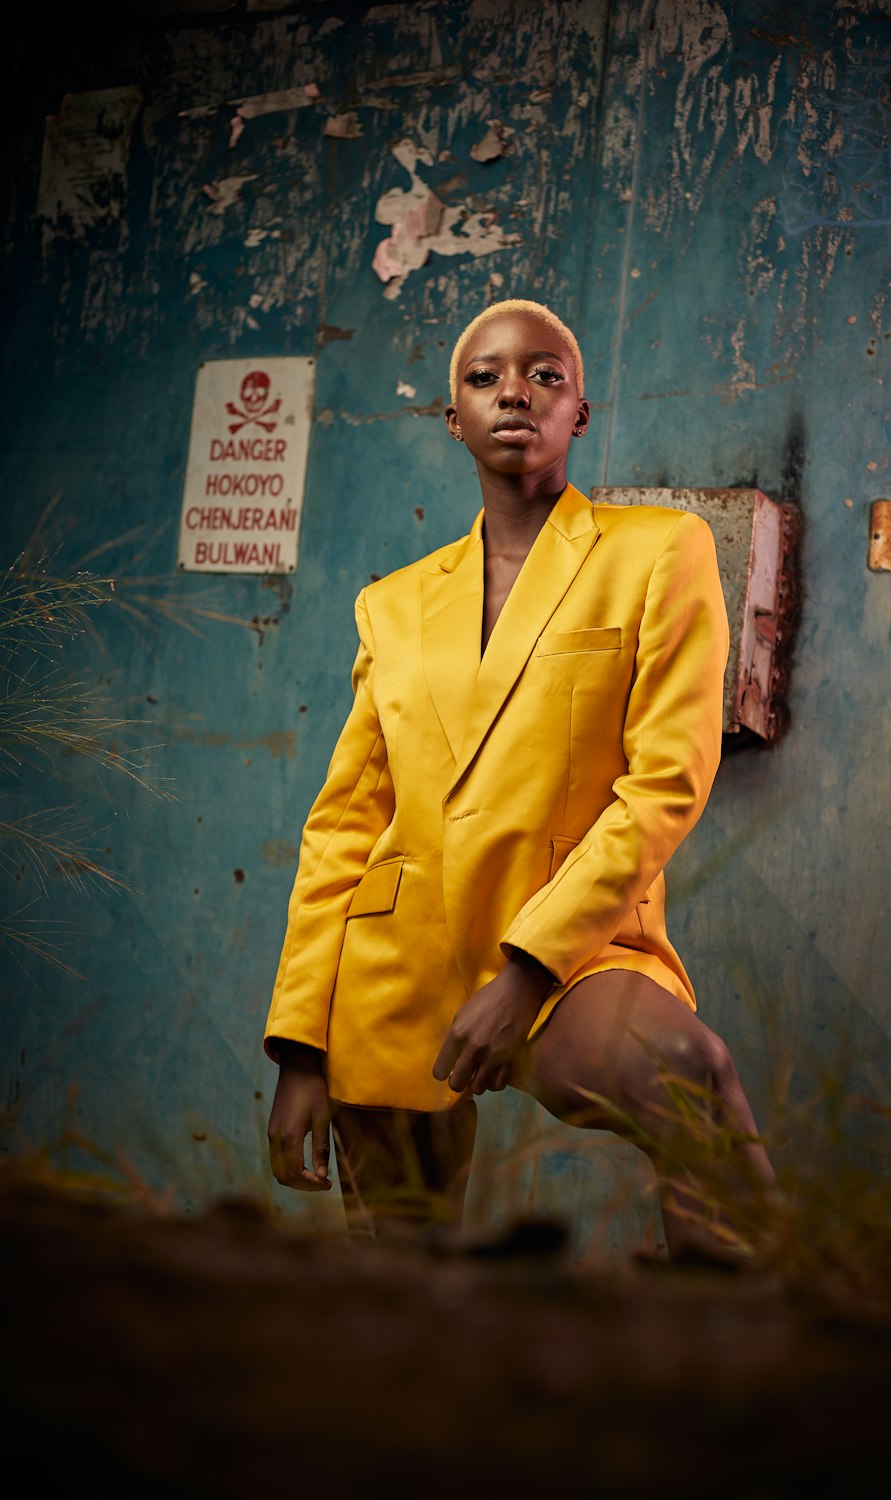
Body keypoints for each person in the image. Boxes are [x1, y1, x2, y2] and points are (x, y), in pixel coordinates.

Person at [265, 299, 774, 1261]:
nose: (514, 392)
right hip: (394, 963)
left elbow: (666, 780)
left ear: (580, 412)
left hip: (562, 949)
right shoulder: (394, 603)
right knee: (398, 1276)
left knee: (692, 1078)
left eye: (545, 375)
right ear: (450, 416)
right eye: (485, 376)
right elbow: (343, 829)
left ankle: (749, 1363)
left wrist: (525, 971)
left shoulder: (658, 552)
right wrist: (302, 1047)